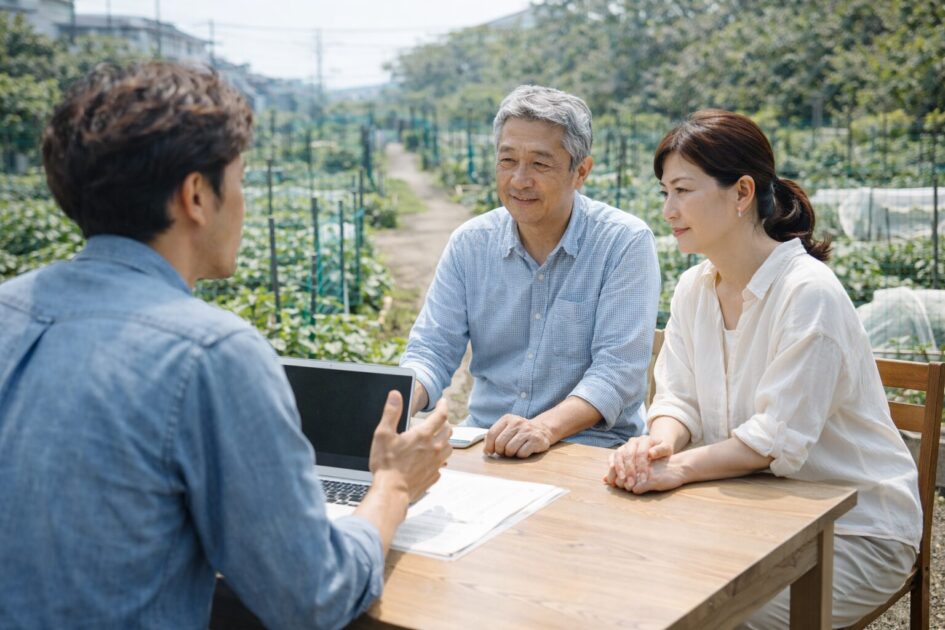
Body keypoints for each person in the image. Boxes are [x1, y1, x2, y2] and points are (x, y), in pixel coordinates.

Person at [0, 62, 451, 629]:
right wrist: (392, 484)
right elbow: (313, 598)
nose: (243, 201)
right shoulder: (209, 355)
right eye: (240, 180)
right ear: (196, 195)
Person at [603, 109, 921, 628]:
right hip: (751, 513)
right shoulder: (694, 289)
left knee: (695, 612)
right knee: (620, 577)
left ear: (742, 192)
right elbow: (677, 399)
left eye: (682, 190)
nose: (668, 210)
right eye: (665, 192)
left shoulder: (808, 293)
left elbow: (775, 439)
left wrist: (679, 469)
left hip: (856, 530)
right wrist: (658, 446)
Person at [400, 85, 660, 458]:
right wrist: (396, 402)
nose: (520, 180)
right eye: (507, 160)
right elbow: (432, 348)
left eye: (540, 164)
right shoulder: (470, 243)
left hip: (589, 448)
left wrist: (543, 428)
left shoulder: (623, 242)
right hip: (488, 441)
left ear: (580, 171)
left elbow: (617, 371)